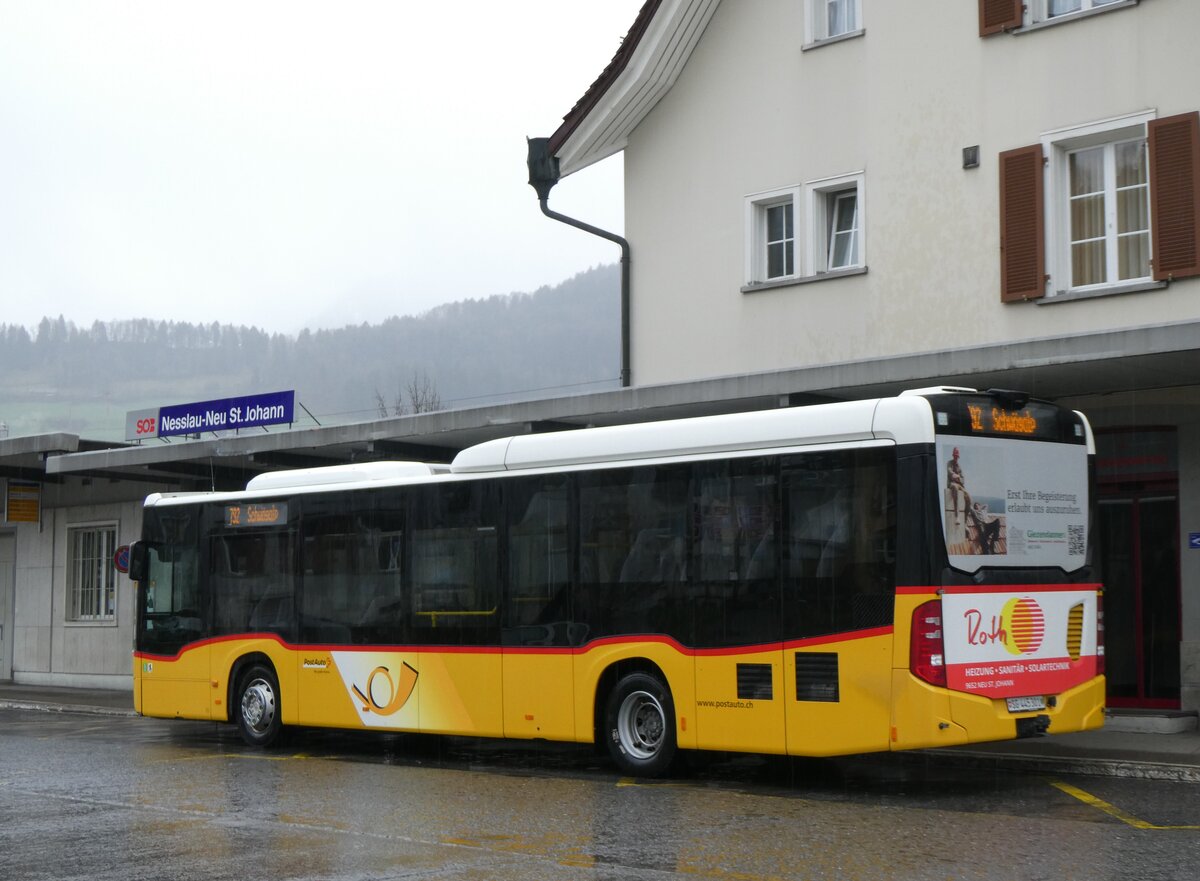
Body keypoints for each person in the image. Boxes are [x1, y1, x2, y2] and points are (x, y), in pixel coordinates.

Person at [946, 447, 972, 527]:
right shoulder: (949, 463)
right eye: (955, 455)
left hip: (960, 485)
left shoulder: (959, 467)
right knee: (955, 488)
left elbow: (963, 479)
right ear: (953, 455)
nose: (956, 457)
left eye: (957, 456)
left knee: (969, 497)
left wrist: (958, 477)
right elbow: (951, 473)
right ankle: (957, 516)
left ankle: (965, 521)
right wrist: (957, 477)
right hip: (952, 484)